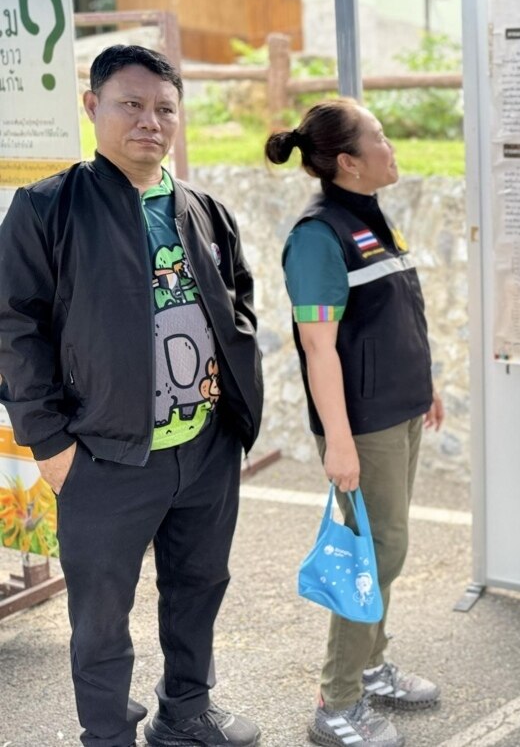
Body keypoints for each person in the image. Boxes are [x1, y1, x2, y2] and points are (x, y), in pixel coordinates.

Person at [0, 45, 264, 747]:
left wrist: (233, 414)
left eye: (164, 108)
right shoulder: (45, 208)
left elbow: (238, 301)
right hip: (102, 458)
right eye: (132, 104)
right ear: (92, 107)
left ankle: (187, 708)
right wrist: (51, 447)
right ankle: (107, 734)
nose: (151, 121)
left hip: (203, 449)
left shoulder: (201, 208)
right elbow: (13, 328)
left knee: (199, 585)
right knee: (101, 616)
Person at [265, 98, 444, 747]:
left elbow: (395, 310)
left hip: (398, 410)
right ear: (347, 161)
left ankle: (370, 666)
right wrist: (338, 439)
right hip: (360, 424)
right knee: (373, 551)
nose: (391, 145)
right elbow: (319, 347)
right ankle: (336, 699)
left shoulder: (369, 219)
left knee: (387, 547)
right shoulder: (319, 236)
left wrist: (425, 385)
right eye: (380, 136)